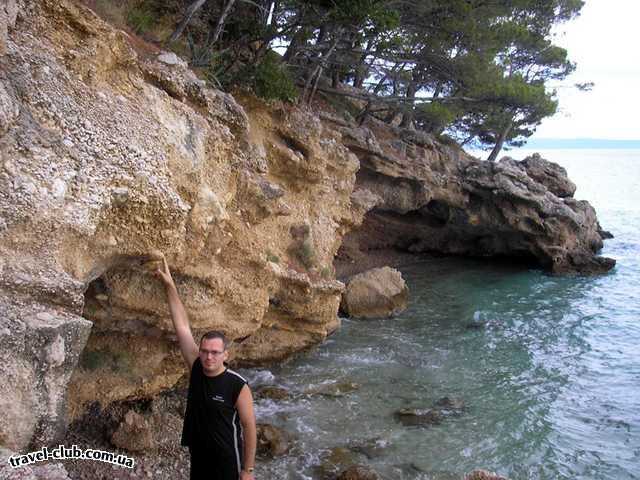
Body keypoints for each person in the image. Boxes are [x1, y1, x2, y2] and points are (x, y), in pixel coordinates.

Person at [154, 254, 257, 480]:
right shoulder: (197, 368)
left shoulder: (237, 385)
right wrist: (170, 286)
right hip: (199, 456)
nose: (208, 356)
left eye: (215, 352)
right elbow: (181, 325)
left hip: (228, 460)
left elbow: (249, 428)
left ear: (225, 355)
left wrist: (247, 471)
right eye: (205, 351)